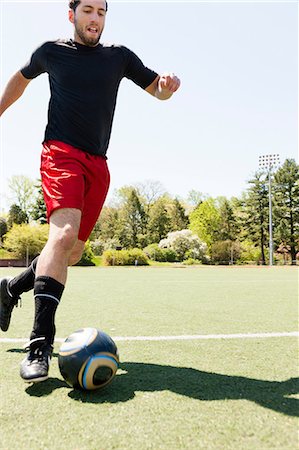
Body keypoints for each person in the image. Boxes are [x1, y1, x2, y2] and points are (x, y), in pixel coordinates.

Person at [0, 0, 180, 383]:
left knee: (74, 251)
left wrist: (165, 88)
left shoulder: (119, 57)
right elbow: (21, 78)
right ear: (72, 15)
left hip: (98, 165)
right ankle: (38, 344)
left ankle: (10, 288)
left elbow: (156, 91)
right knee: (62, 236)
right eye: (88, 11)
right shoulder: (51, 51)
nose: (94, 18)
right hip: (60, 154)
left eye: (101, 12)